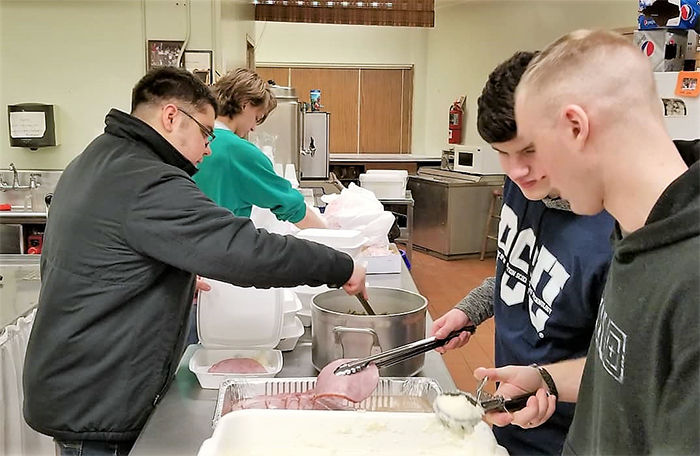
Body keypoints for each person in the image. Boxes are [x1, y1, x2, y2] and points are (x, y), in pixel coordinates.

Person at [22, 67, 366, 456]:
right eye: (205, 133)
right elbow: (244, 250)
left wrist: (173, 267)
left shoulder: (100, 157)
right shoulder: (146, 180)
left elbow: (113, 256)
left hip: (80, 378)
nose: (208, 148)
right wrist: (341, 266)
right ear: (171, 117)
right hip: (97, 398)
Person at [473, 29, 699, 455]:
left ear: (575, 127)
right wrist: (547, 378)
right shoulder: (638, 232)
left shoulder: (687, 274)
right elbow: (626, 373)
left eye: (536, 148)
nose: (530, 177)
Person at [430, 51, 615, 455]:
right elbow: (517, 268)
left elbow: (625, 366)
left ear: (576, 130)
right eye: (503, 153)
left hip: (565, 431)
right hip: (506, 409)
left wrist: (546, 380)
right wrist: (470, 310)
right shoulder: (524, 183)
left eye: (530, 151)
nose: (516, 171)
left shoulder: (614, 234)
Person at [193, 68, 326, 229]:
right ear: (245, 104)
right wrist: (333, 239)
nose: (254, 128)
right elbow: (292, 206)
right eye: (257, 118)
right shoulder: (237, 150)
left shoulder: (192, 138)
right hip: (222, 245)